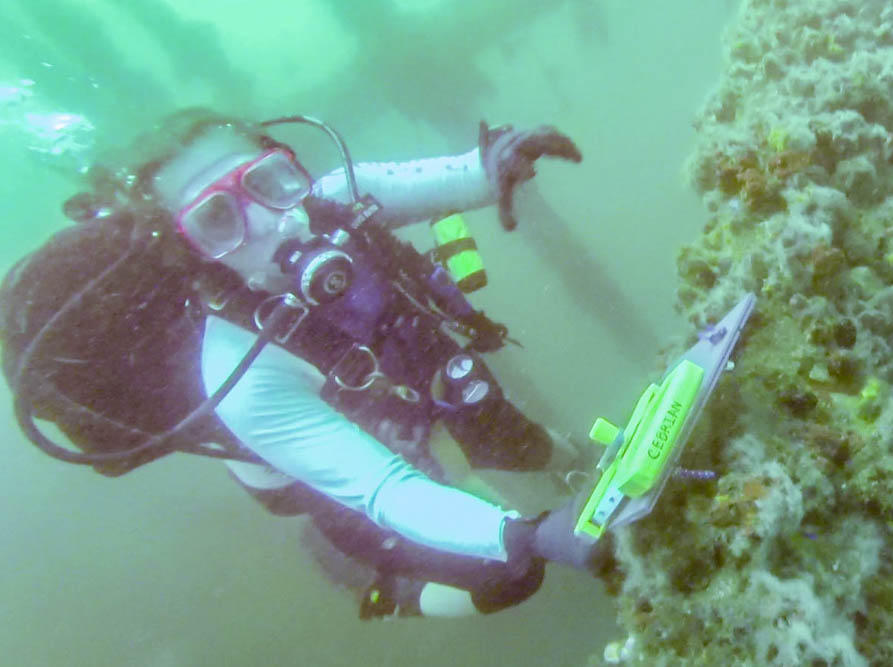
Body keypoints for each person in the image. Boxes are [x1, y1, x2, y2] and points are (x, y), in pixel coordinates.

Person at [0, 108, 609, 619]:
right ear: (187, 253)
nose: (271, 220)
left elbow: (462, 177)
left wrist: (499, 161)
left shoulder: (333, 203)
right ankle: (366, 578)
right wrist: (520, 534)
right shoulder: (239, 375)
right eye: (217, 219)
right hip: (304, 466)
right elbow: (383, 488)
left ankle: (578, 458)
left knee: (506, 436)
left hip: (404, 391)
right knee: (504, 578)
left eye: (268, 182)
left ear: (290, 165)